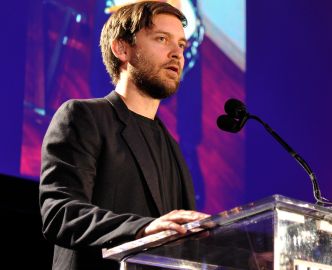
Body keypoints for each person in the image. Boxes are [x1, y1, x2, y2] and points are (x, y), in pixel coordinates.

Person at [39, 2, 209, 269]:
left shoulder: (174, 149)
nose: (177, 53)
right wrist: (142, 229)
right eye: (162, 39)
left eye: (181, 45)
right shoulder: (83, 117)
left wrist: (247, 256)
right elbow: (60, 214)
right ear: (122, 48)